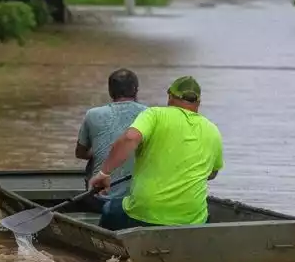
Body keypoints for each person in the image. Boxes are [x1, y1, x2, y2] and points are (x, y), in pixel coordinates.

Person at [89, 76, 223, 230]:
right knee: (204, 216)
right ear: (198, 103)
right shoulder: (213, 130)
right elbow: (212, 174)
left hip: (146, 213)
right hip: (192, 218)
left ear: (170, 97)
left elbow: (130, 138)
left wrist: (104, 173)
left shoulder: (154, 115)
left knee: (109, 210)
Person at [76, 68, 147, 211]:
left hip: (101, 200)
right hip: (139, 201)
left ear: (110, 91)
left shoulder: (93, 115)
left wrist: (104, 151)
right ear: (136, 90)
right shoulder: (150, 114)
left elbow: (80, 153)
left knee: (93, 163)